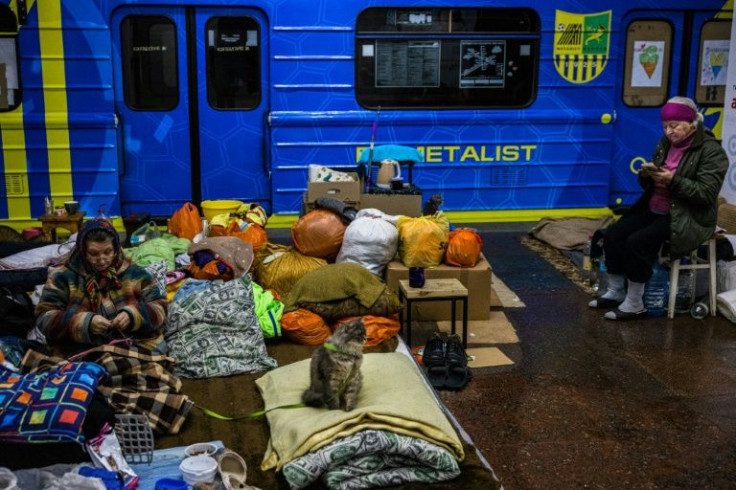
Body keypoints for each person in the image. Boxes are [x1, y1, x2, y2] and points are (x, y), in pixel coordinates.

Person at [589, 96, 728, 320]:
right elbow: (650, 183)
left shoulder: (711, 151)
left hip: (686, 214)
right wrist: (647, 176)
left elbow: (705, 193)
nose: (669, 131)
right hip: (655, 207)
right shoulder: (665, 144)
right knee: (614, 234)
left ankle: (635, 303)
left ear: (691, 122)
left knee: (638, 241)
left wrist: (673, 181)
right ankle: (615, 292)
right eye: (665, 126)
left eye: (674, 125)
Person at [35, 218, 168, 355]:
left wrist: (133, 315)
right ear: (83, 251)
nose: (102, 259)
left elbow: (160, 307)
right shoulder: (62, 277)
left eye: (108, 252)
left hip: (134, 346)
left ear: (116, 249)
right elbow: (44, 317)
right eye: (93, 253)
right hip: (81, 352)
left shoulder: (135, 274)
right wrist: (85, 323)